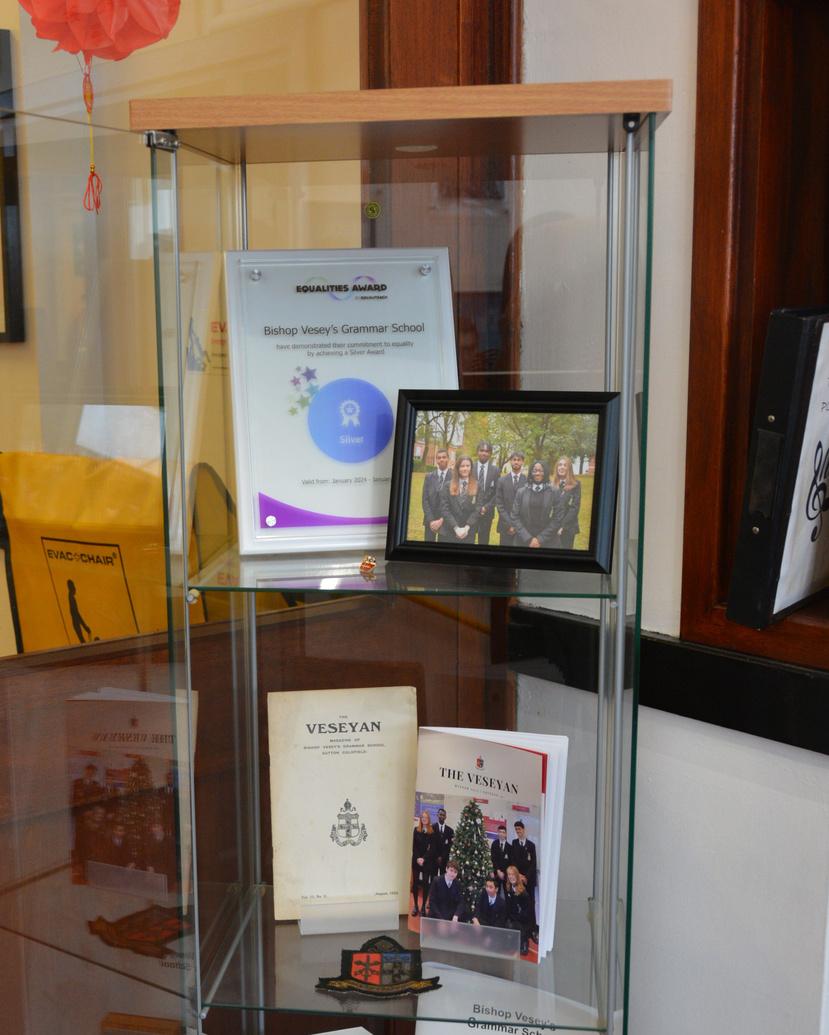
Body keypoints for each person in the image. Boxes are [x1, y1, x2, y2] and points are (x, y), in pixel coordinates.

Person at [510, 461, 558, 548]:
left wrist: (540, 539)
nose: (537, 473)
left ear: (545, 472)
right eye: (535, 470)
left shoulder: (554, 492)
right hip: (523, 539)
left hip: (547, 540)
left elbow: (557, 518)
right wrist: (528, 538)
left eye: (541, 471)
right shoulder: (521, 492)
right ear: (531, 473)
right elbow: (514, 516)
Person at [439, 456, 479, 543]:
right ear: (457, 468)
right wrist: (456, 528)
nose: (465, 469)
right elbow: (444, 509)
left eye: (468, 466)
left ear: (471, 468)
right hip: (449, 531)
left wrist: (466, 528)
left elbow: (477, 509)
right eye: (462, 466)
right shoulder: (447, 485)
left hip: (468, 533)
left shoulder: (478, 486)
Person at [511, 819, 538, 939]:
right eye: (516, 829)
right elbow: (513, 861)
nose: (518, 831)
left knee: (530, 904)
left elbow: (533, 863)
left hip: (528, 880)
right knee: (519, 904)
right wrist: (519, 876)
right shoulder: (514, 843)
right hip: (518, 879)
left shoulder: (531, 845)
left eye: (519, 829)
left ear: (523, 830)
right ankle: (521, 929)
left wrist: (526, 876)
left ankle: (532, 930)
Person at [495, 451, 527, 546]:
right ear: (510, 461)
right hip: (505, 525)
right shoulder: (502, 480)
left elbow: (527, 505)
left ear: (522, 462)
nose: (516, 462)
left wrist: (517, 525)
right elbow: (499, 504)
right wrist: (509, 524)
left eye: (519, 460)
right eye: (514, 460)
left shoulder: (527, 481)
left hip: (522, 526)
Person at [551, 456, 582, 549]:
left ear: (569, 468)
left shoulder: (576, 485)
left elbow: (574, 508)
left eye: (565, 465)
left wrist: (562, 526)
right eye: (560, 465)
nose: (562, 467)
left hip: (568, 527)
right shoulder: (552, 485)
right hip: (553, 526)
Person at [421, 448, 451, 542]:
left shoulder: (454, 477)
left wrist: (442, 520)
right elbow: (425, 500)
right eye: (439, 457)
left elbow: (454, 503)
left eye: (444, 457)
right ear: (436, 460)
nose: (441, 459)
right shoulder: (429, 477)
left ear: (448, 459)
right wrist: (431, 520)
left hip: (446, 521)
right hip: (430, 521)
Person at [472, 441, 498, 544]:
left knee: (484, 540)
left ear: (490, 453)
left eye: (487, 451)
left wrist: (486, 507)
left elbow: (497, 493)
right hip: (471, 511)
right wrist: (476, 507)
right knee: (469, 539)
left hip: (487, 512)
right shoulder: (470, 467)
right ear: (477, 452)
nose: (484, 453)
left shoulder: (495, 470)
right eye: (481, 450)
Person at [504, 864, 533, 954]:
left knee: (522, 952)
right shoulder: (509, 889)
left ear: (517, 875)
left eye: (513, 874)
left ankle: (524, 942)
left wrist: (516, 919)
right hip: (513, 918)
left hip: (522, 920)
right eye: (509, 874)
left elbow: (526, 912)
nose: (511, 877)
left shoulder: (523, 893)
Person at [411, 811, 434, 916]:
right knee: (415, 883)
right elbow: (414, 846)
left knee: (425, 883)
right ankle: (416, 906)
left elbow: (431, 849)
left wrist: (423, 859)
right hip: (416, 860)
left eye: (426, 817)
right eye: (423, 817)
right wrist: (418, 858)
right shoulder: (416, 830)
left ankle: (423, 906)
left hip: (426, 861)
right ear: (421, 819)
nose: (424, 819)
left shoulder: (431, 832)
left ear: (428, 819)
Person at [432, 807, 454, 878]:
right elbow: (432, 844)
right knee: (433, 878)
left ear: (445, 817)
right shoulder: (432, 828)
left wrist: (442, 857)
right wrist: (437, 856)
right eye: (440, 814)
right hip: (433, 858)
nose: (442, 816)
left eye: (443, 815)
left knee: (443, 878)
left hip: (444, 859)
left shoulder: (450, 831)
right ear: (437, 815)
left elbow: (449, 846)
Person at [490, 823, 511, 888]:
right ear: (498, 833)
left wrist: (504, 873)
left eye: (503, 832)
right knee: (496, 891)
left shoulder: (510, 847)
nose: (501, 834)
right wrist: (498, 871)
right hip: (496, 872)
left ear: (506, 834)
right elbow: (493, 859)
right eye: (500, 832)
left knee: (507, 891)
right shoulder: (494, 844)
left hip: (506, 874)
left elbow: (510, 862)